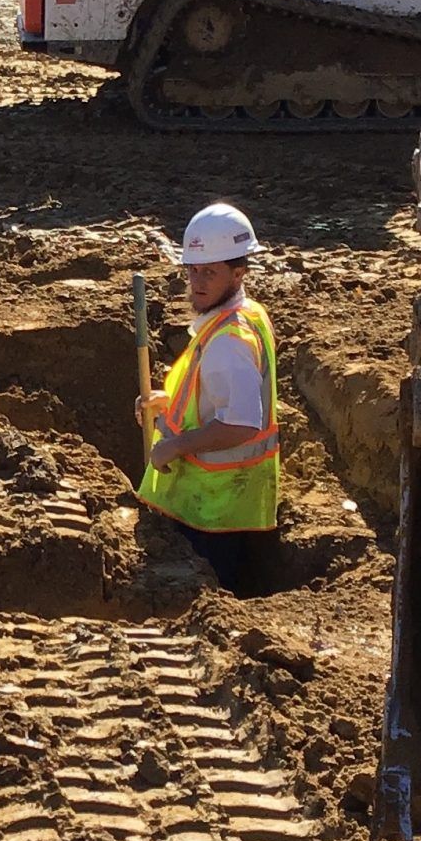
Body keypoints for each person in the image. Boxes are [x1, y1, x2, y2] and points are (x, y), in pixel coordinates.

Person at [137, 202, 279, 595]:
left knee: (209, 596)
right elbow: (216, 396)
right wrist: (166, 404)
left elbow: (240, 423)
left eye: (209, 273)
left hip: (215, 511)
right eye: (193, 271)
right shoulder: (244, 315)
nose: (197, 283)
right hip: (222, 502)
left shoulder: (230, 341)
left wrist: (175, 446)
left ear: (239, 273)